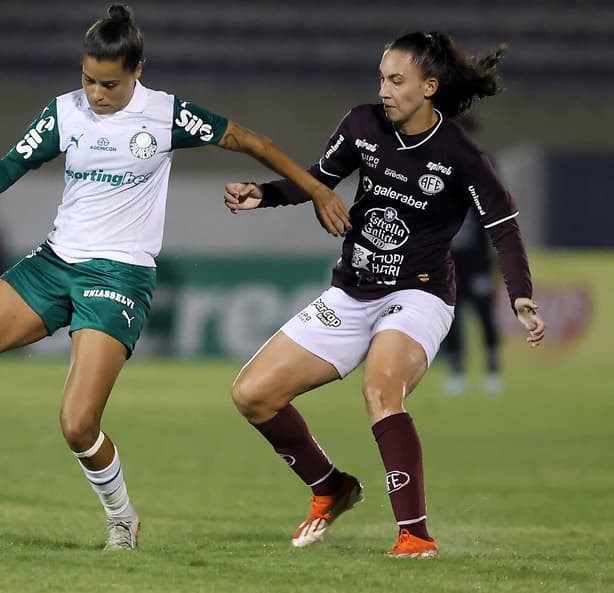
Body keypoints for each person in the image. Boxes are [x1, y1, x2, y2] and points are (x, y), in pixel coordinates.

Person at [0, 4, 350, 551]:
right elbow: (9, 166)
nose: (95, 93)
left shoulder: (165, 115)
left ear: (138, 71)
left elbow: (253, 141)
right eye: (88, 79)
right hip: (54, 264)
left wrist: (319, 190)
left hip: (119, 276)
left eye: (109, 84)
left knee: (76, 424)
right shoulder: (67, 112)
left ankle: (122, 518)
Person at [222, 32, 545, 558]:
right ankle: (331, 488)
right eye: (382, 78)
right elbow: (318, 179)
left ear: (429, 87)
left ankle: (414, 534)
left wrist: (521, 297)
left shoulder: (461, 156)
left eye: (397, 80)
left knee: (380, 387)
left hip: (419, 295)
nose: (385, 90)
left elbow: (504, 228)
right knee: (252, 395)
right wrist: (264, 196)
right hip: (354, 291)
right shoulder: (362, 124)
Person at [442, 116, 503, 395]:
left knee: (484, 313)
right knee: (450, 317)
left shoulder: (485, 165)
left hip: (477, 259)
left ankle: (492, 369)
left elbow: (498, 214)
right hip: (447, 259)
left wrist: (499, 251)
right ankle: (457, 371)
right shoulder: (436, 165)